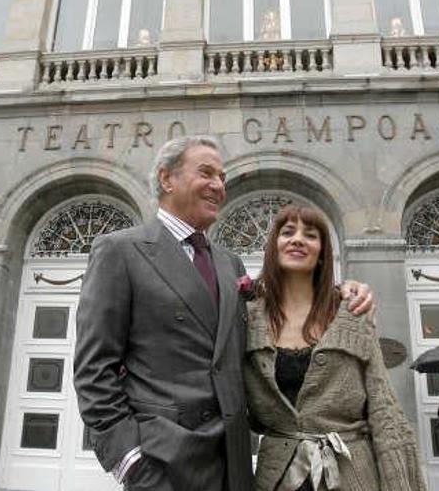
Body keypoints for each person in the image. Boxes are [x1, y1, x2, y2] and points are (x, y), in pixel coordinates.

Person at [73, 136, 373, 491]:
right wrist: (128, 459)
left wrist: (340, 293)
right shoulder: (120, 251)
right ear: (167, 179)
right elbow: (94, 369)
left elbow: (282, 305)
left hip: (232, 459)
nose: (219, 185)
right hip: (162, 462)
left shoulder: (229, 263)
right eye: (206, 173)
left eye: (222, 177)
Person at [244, 204, 426, 491]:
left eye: (311, 235)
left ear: (321, 254)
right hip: (276, 476)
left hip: (352, 472)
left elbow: (384, 410)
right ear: (273, 246)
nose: (298, 239)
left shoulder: (350, 312)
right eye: (288, 232)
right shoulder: (248, 317)